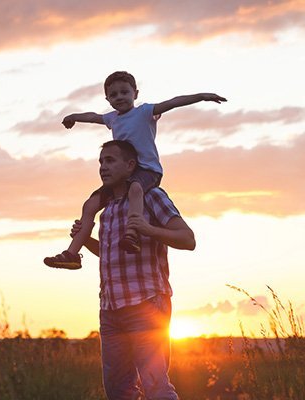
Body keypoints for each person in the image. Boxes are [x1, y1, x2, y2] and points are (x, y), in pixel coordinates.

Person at [43, 71, 223, 269]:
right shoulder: (112, 119)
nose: (119, 97)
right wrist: (73, 117)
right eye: (113, 95)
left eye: (124, 92)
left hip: (147, 170)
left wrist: (202, 96)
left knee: (136, 189)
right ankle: (72, 253)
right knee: (90, 204)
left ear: (135, 94)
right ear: (108, 99)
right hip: (123, 176)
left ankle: (132, 234)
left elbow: (173, 102)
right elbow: (93, 116)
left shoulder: (144, 112)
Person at [74, 140, 195, 400]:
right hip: (110, 310)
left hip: (147, 305)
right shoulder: (106, 210)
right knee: (119, 392)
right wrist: (84, 239)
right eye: (101, 162)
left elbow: (188, 239)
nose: (103, 167)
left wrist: (147, 229)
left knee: (157, 388)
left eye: (110, 160)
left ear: (130, 166)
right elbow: (109, 253)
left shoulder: (151, 196)